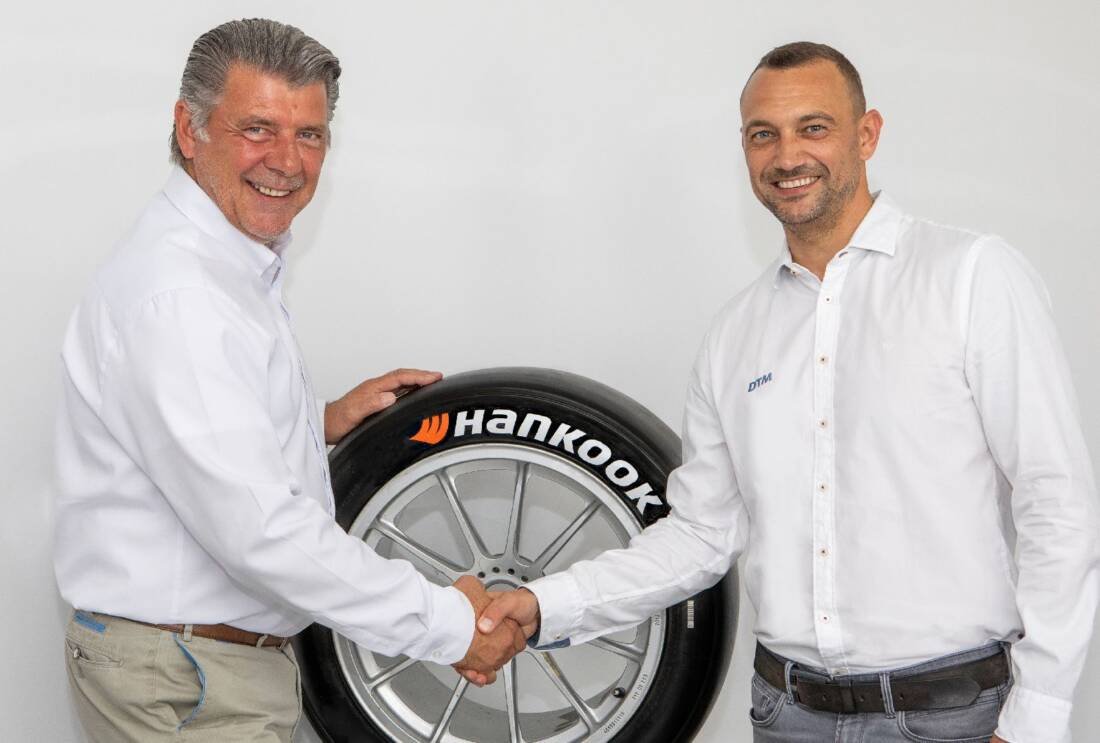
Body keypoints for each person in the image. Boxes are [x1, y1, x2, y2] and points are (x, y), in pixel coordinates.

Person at [475, 42, 1099, 742]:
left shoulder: (971, 276)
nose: (787, 156)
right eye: (762, 134)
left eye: (814, 127)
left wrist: (1038, 716)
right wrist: (543, 605)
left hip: (953, 716)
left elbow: (1056, 498)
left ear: (867, 134)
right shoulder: (735, 333)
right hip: (787, 715)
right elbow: (700, 534)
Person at [55, 19, 522, 742]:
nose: (286, 161)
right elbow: (262, 531)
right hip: (188, 682)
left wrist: (314, 419)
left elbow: (194, 442)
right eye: (257, 129)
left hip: (194, 664)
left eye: (309, 135)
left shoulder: (221, 263)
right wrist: (450, 623)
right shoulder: (184, 298)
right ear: (188, 129)